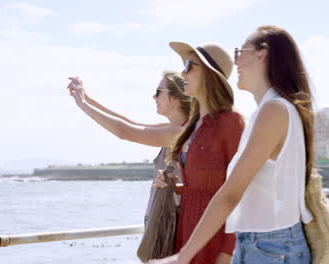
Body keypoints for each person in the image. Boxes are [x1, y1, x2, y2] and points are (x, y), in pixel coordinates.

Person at [149, 25, 315, 264]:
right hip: (264, 244)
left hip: (270, 247)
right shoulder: (273, 109)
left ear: (261, 55)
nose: (236, 61)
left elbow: (231, 193)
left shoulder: (273, 110)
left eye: (240, 51)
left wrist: (182, 257)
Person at [153, 42, 245, 264]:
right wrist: (175, 186)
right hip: (190, 231)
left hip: (215, 238)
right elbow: (208, 186)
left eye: (189, 65)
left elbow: (241, 193)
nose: (182, 72)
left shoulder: (231, 123)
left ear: (210, 74)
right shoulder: (196, 126)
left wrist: (227, 253)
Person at [67, 71, 190, 225]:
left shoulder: (178, 133)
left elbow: (124, 131)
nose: (154, 97)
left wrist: (83, 104)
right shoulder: (177, 129)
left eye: (158, 92)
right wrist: (88, 99)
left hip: (173, 226)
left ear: (176, 98)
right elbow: (129, 124)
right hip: (170, 222)